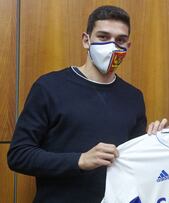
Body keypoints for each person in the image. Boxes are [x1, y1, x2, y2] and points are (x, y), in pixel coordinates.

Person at [7, 5, 146, 203]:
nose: (113, 46)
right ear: (86, 40)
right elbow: (18, 155)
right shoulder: (49, 87)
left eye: (120, 40)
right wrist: (79, 160)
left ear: (127, 47)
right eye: (103, 37)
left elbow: (135, 162)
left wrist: (154, 141)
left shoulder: (134, 97)